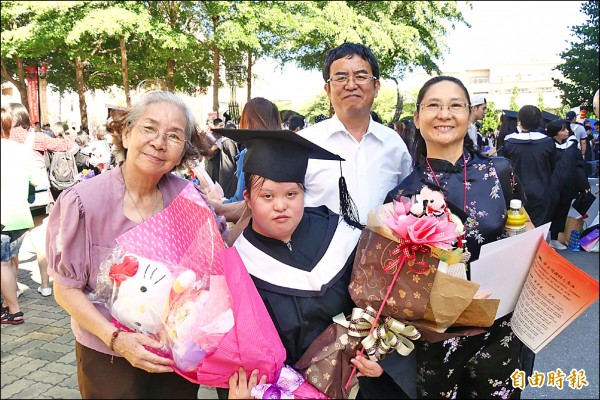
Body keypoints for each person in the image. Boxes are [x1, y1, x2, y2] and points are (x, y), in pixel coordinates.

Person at [45, 91, 225, 399]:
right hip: (108, 354)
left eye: (174, 135)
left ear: (183, 151)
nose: (159, 142)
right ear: (126, 133)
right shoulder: (83, 202)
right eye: (149, 128)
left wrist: (253, 212)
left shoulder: (187, 198)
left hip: (174, 355)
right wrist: (115, 338)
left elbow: (214, 260)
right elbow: (65, 289)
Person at [386, 76, 532, 399]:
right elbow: (395, 279)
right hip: (436, 342)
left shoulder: (499, 172)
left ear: (469, 114)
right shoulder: (402, 194)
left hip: (499, 332)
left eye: (455, 105)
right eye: (433, 105)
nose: (444, 114)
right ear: (417, 117)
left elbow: (530, 240)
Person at [217, 128, 390, 399]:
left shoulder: (340, 234)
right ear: (247, 199)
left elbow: (382, 310)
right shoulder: (237, 265)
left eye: (291, 194)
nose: (281, 206)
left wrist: (380, 357)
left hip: (350, 383)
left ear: (304, 193)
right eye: (267, 196)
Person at [299, 42, 412, 225]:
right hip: (322, 254)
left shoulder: (394, 145)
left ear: (376, 86)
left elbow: (406, 203)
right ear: (328, 89)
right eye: (341, 78)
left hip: (384, 252)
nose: (351, 85)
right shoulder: (304, 144)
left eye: (360, 76)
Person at [1, 107, 44, 324]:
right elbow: (37, 180)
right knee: (10, 262)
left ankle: (14, 310)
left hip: (2, 216)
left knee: (3, 264)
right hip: (20, 214)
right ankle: (8, 303)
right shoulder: (20, 150)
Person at [500, 105, 557, 227]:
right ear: (539, 121)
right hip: (541, 190)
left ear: (519, 121)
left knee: (517, 227)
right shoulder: (548, 142)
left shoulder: (509, 142)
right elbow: (553, 165)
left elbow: (503, 167)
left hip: (516, 193)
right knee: (539, 227)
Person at [545, 119, 590, 250]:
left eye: (566, 129)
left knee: (562, 211)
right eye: (563, 129)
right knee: (547, 212)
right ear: (555, 133)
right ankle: (541, 239)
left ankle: (554, 239)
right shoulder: (547, 146)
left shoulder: (571, 145)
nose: (567, 132)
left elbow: (578, 166)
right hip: (551, 185)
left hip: (567, 185)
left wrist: (584, 183)